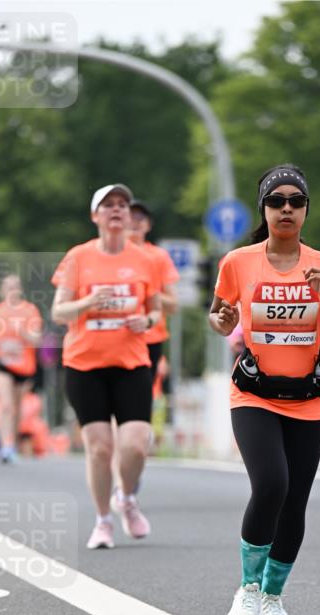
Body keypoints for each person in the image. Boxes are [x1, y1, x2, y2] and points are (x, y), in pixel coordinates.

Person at [209, 164, 320, 615]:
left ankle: (273, 598)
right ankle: (247, 592)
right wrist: (224, 319)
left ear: (307, 209)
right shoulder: (238, 261)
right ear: (264, 209)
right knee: (271, 483)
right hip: (254, 394)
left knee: (295, 500)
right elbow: (220, 319)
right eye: (277, 201)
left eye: (296, 201)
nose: (286, 208)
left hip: (310, 398)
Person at [51, 183, 162, 549]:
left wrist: (145, 322)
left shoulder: (145, 259)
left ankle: (126, 498)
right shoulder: (78, 258)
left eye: (122, 205)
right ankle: (102, 522)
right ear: (95, 216)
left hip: (131, 362)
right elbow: (58, 311)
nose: (117, 210)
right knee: (99, 448)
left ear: (129, 216)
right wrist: (87, 302)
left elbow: (156, 309)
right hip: (85, 365)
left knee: (135, 445)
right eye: (108, 205)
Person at [108, 199, 180, 510]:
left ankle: (130, 471)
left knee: (136, 414)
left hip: (149, 342)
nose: (135, 222)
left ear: (148, 225)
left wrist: (144, 294)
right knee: (113, 413)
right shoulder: (107, 254)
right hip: (114, 340)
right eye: (130, 217)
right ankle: (117, 482)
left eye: (141, 218)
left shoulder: (157, 257)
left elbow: (174, 304)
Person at [0, 274, 42, 463]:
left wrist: (21, 332)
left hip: (23, 366)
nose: (12, 290)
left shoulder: (30, 310)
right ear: (1, 290)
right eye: (8, 287)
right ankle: (5, 446)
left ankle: (11, 443)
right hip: (1, 364)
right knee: (6, 404)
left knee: (16, 408)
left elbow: (36, 339)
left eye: (15, 286)